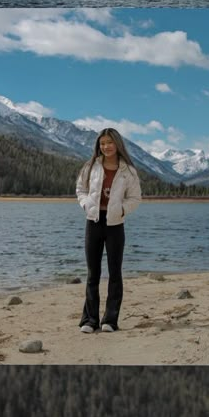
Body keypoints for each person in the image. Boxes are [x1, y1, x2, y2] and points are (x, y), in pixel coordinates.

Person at [75, 128, 142, 333]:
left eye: (110, 142)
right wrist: (86, 204)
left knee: (115, 273)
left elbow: (135, 198)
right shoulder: (90, 166)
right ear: (99, 145)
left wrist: (122, 209)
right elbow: (81, 190)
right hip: (93, 222)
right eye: (102, 143)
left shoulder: (128, 171)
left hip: (115, 224)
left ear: (118, 144)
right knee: (93, 272)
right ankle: (90, 320)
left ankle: (110, 320)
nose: (106, 146)